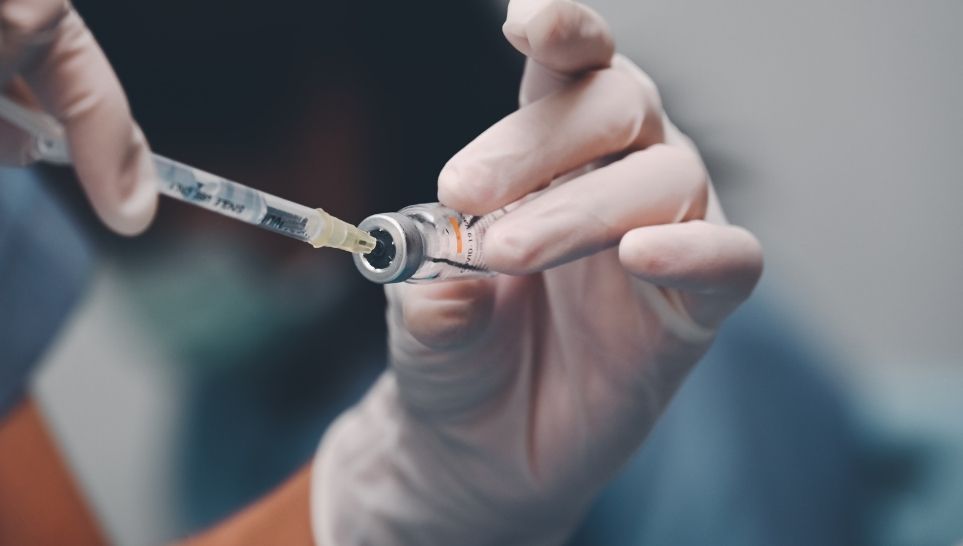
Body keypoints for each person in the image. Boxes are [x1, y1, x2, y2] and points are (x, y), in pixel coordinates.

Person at [0, 0, 773, 543]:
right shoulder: (241, 408)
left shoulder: (632, 344)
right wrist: (384, 508)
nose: (163, 252)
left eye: (167, 216)